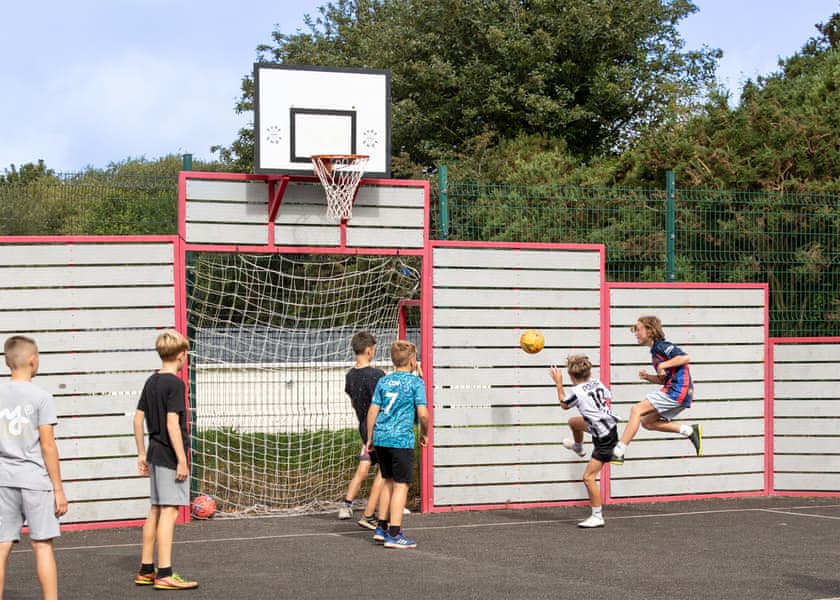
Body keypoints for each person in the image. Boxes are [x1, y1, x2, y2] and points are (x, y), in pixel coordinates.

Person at [0, 335, 68, 600]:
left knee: (2, 545)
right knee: (42, 545)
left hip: (3, 479)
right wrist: (59, 489)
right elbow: (48, 446)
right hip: (34, 480)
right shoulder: (42, 396)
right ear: (32, 360)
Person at [132, 329, 199, 590]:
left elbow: (138, 419)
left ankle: (146, 569)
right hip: (170, 455)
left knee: (156, 510)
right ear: (182, 355)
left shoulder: (151, 381)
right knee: (169, 512)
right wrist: (182, 459)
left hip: (154, 452)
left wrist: (140, 452)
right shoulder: (175, 383)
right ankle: (165, 573)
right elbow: (173, 424)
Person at [611, 315, 702, 465]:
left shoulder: (662, 346)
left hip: (678, 389)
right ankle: (689, 431)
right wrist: (648, 377)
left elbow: (685, 358)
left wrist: (662, 366)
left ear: (650, 331)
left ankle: (618, 450)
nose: (636, 333)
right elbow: (663, 379)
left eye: (638, 329)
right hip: (680, 392)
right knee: (647, 422)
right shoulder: (655, 352)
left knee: (636, 410)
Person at [366, 340, 429, 549]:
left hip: (381, 437)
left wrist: (370, 437)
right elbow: (423, 414)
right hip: (400, 439)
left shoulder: (384, 381)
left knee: (387, 481)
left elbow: (373, 410)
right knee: (401, 485)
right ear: (412, 360)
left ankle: (381, 527)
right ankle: (394, 533)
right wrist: (425, 432)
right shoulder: (416, 383)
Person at [549, 354, 618, 528]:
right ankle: (579, 447)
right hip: (606, 426)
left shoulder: (577, 392)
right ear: (589, 372)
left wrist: (558, 382)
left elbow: (564, 405)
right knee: (574, 422)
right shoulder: (597, 382)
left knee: (588, 477)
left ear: (571, 376)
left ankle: (597, 516)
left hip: (604, 438)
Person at [338, 331, 387, 530]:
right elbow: (383, 403)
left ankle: (346, 505)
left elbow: (352, 402)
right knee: (385, 471)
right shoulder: (377, 375)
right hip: (378, 428)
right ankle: (377, 509)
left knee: (363, 468)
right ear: (368, 350)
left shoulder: (350, 375)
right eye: (374, 349)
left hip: (363, 429)